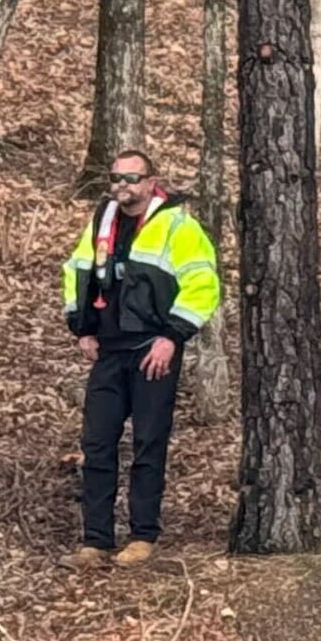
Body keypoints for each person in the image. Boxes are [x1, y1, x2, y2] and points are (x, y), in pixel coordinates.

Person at [61, 151, 219, 565]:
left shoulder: (178, 226)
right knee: (97, 445)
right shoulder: (103, 221)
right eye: (116, 176)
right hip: (109, 351)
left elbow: (203, 285)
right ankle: (95, 541)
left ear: (152, 181)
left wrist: (172, 337)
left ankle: (142, 535)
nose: (122, 184)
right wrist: (83, 328)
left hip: (153, 350)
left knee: (149, 444)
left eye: (132, 177)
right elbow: (77, 270)